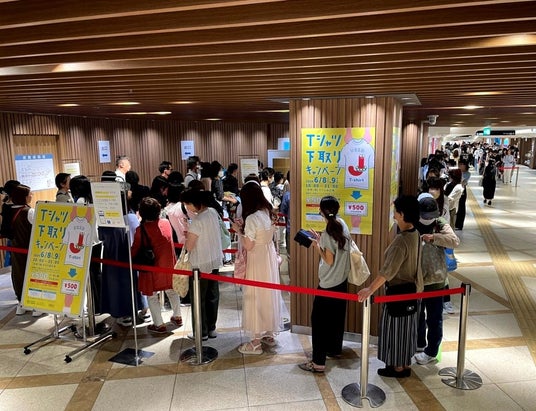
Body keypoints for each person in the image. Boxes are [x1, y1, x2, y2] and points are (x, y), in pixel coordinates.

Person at [357, 195, 422, 378]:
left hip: (397, 293)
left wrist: (369, 289)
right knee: (406, 331)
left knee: (394, 331)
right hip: (412, 291)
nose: (393, 214)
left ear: (402, 214)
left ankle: (397, 367)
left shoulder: (402, 241)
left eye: (396, 211)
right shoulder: (415, 233)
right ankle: (404, 364)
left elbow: (387, 272)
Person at [298, 196, 351, 372]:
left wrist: (316, 246)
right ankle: (334, 349)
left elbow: (328, 260)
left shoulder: (329, 232)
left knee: (319, 322)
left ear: (321, 211)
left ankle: (318, 362)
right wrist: (320, 240)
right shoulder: (342, 225)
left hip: (328, 284)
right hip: (342, 281)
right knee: (336, 318)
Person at [231, 180, 281, 355]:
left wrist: (238, 230)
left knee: (255, 296)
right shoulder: (267, 212)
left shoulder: (252, 218)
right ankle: (269, 333)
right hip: (268, 257)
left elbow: (249, 245)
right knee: (267, 295)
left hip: (257, 259)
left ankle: (255, 343)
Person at [414, 194, 459, 365]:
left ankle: (431, 351)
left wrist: (434, 238)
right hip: (416, 279)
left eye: (431, 216)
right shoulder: (412, 221)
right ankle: (419, 343)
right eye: (425, 216)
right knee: (417, 315)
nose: (428, 219)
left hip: (436, 279)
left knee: (434, 318)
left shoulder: (440, 223)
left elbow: (454, 241)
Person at [131, 197, 182, 334]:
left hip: (151, 268)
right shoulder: (166, 223)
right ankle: (177, 316)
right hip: (168, 265)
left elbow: (134, 250)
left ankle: (159, 324)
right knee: (172, 290)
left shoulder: (141, 230)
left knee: (152, 295)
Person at [181, 189, 223, 340]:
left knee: (199, 298)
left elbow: (189, 246)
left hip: (199, 265)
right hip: (214, 260)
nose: (187, 207)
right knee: (213, 295)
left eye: (187, 204)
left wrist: (188, 236)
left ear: (194, 203)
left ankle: (201, 332)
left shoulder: (197, 221)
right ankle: (211, 328)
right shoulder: (212, 212)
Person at [10, 184, 42, 316]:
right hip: (29, 249)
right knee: (33, 274)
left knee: (18, 274)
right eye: (30, 194)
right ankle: (36, 306)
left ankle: (21, 304)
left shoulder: (8, 211)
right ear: (23, 197)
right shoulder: (29, 212)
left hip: (15, 249)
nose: (31, 195)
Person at [454, 159, 471, 230]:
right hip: (455, 190)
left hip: (462, 191)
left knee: (461, 207)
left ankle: (459, 225)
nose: (459, 166)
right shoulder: (456, 172)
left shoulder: (467, 173)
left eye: (461, 164)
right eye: (459, 164)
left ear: (465, 165)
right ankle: (453, 223)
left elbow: (463, 182)